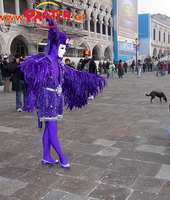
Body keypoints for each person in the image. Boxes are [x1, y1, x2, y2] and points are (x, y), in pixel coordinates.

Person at [19, 18, 106, 170]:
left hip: (56, 99)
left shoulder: (60, 64)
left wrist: (93, 79)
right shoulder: (43, 62)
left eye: (64, 48)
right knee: (52, 129)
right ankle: (61, 157)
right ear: (53, 47)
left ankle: (46, 157)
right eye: (61, 48)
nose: (64, 51)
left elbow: (76, 75)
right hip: (46, 100)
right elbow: (28, 71)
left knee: (48, 128)